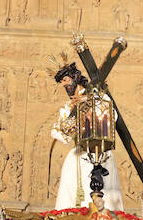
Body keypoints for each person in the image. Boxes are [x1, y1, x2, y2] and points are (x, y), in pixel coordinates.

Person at [51, 63, 124, 211]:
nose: (64, 85)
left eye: (65, 80)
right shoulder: (67, 107)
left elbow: (112, 115)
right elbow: (60, 134)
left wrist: (89, 102)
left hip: (100, 151)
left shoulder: (98, 96)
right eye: (61, 82)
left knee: (105, 195)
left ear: (75, 77)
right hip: (79, 154)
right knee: (70, 190)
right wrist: (71, 117)